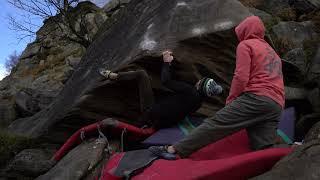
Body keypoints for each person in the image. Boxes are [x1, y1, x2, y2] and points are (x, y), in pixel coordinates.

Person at [149, 16, 285, 159]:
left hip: (257, 97)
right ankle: (291, 151)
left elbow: (241, 76)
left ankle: (173, 150)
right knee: (263, 146)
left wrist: (231, 100)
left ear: (245, 30)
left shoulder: (246, 45)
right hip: (276, 104)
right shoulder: (273, 53)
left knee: (216, 124)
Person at [100, 51, 223, 129]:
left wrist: (166, 62)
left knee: (142, 74)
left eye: (201, 81)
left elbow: (166, 81)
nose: (198, 80)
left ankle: (113, 76)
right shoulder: (198, 103)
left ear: (200, 86)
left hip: (151, 114)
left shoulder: (189, 91)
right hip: (161, 123)